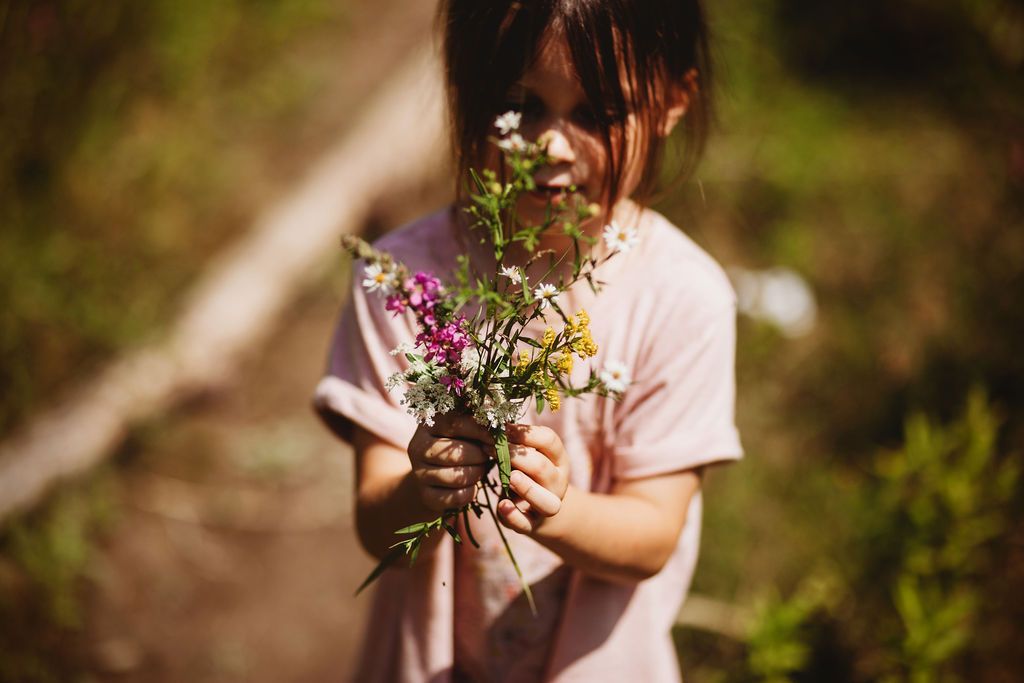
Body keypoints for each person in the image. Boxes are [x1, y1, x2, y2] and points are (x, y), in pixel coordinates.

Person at [313, 1, 742, 681]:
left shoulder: (685, 297)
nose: (552, 146)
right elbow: (375, 524)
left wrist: (559, 510)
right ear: (466, 89)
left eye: (598, 113)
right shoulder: (401, 279)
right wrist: (422, 486)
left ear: (672, 101)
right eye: (520, 103)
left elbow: (653, 534)